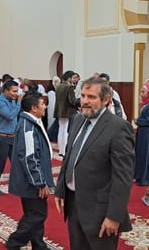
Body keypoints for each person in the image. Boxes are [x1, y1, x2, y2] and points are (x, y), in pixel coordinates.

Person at [54, 76, 135, 250]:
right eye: (83, 96)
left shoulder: (118, 128)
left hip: (100, 210)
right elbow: (69, 157)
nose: (85, 101)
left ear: (106, 100)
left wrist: (114, 216)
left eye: (91, 97)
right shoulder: (77, 120)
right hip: (74, 203)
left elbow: (123, 178)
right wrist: (61, 188)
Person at [6, 93, 54, 250]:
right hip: (31, 181)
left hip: (30, 179)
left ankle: (39, 246)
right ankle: (14, 242)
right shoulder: (28, 127)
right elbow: (29, 157)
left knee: (33, 214)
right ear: (34, 108)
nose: (45, 106)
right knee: (38, 214)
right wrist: (40, 182)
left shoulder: (31, 122)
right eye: (42, 104)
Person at [0, 80, 22, 195]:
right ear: (6, 90)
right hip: (2, 137)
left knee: (17, 162)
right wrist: (18, 103)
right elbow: (10, 115)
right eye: (14, 91)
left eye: (17, 91)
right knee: (1, 162)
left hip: (13, 136)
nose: (16, 94)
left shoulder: (13, 100)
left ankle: (17, 184)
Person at [134, 83, 149, 186]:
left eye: (143, 92)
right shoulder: (147, 104)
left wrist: (138, 121)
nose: (141, 94)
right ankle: (140, 176)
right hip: (143, 132)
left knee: (146, 155)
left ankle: (146, 178)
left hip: (148, 133)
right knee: (141, 154)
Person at [53, 70, 78, 157]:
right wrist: (77, 103)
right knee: (66, 130)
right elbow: (72, 100)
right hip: (67, 110)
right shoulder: (69, 87)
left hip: (59, 110)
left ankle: (61, 150)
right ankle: (64, 151)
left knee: (61, 130)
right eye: (73, 77)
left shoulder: (59, 86)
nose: (73, 79)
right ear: (69, 78)